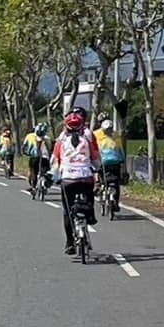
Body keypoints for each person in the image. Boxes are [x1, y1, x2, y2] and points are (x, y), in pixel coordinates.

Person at [50, 108, 100, 254]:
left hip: (68, 179)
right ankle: (90, 215)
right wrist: (98, 170)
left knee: (67, 211)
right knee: (89, 195)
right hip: (86, 177)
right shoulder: (87, 138)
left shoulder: (62, 139)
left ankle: (69, 243)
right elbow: (95, 158)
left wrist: (56, 174)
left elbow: (55, 160)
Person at [95, 117, 126, 212]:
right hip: (113, 162)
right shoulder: (115, 135)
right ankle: (115, 201)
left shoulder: (96, 134)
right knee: (116, 182)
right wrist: (122, 160)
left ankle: (99, 186)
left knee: (104, 178)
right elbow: (121, 150)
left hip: (104, 162)